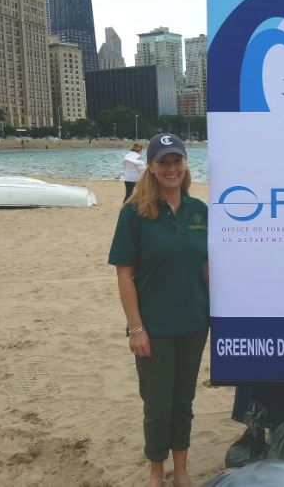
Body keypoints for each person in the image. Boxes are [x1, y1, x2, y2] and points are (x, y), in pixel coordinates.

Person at [108, 133, 209, 487]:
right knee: (157, 404)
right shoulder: (135, 214)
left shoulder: (200, 211)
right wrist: (136, 328)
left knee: (184, 401)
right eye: (163, 162)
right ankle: (156, 472)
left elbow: (206, 267)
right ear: (150, 167)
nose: (171, 168)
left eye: (176, 161)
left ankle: (180, 471)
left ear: (185, 165)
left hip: (195, 324)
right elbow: (124, 274)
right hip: (154, 327)